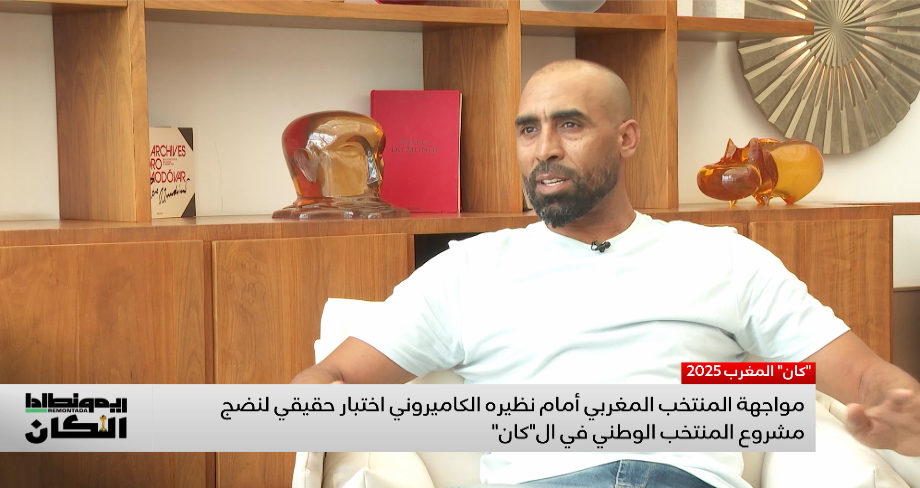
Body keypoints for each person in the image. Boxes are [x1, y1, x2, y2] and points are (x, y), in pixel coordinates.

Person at [291, 59, 920, 487]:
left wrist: (900, 403)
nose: (545, 149)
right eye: (528, 130)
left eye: (569, 124)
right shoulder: (469, 269)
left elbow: (860, 373)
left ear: (626, 138)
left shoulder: (724, 259)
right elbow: (334, 375)